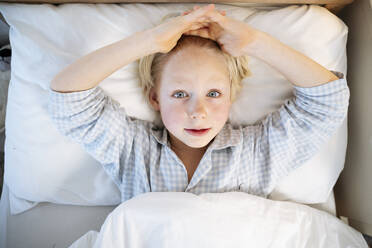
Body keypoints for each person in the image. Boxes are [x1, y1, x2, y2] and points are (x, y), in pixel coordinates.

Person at [48, 4, 350, 201]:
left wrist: (254, 42)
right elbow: (68, 98)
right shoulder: (133, 152)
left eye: (214, 93)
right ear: (154, 97)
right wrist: (149, 41)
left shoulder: (257, 153)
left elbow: (327, 101)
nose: (198, 112)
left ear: (232, 95)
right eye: (180, 94)